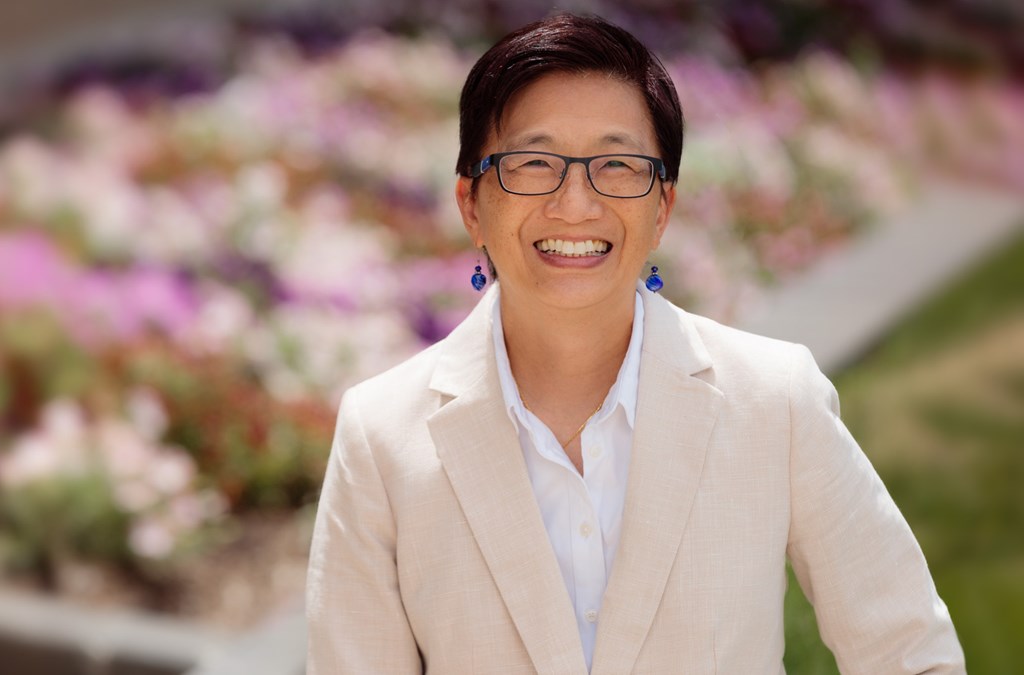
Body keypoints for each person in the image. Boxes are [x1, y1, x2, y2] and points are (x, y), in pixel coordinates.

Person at [306, 13, 964, 674]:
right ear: (472, 204)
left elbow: (909, 652)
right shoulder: (382, 435)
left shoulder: (774, 400)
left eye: (616, 165)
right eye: (534, 162)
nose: (575, 203)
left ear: (663, 208)